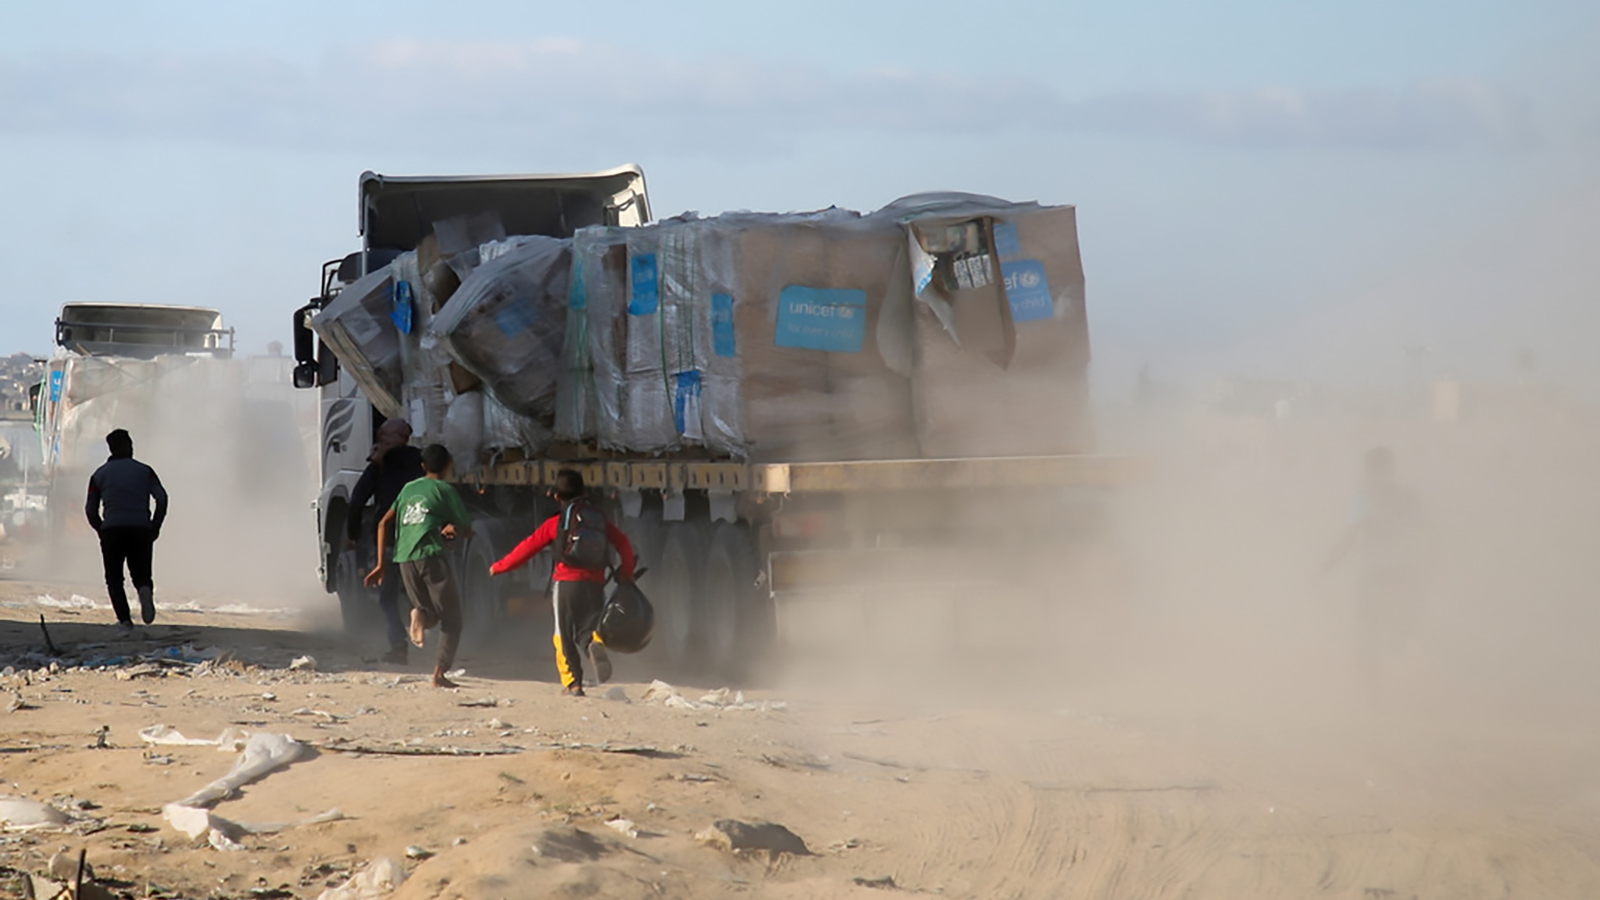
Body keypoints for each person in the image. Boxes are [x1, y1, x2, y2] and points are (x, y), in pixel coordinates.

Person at [489, 469, 635, 697]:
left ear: (557, 497)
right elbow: (624, 544)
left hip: (566, 583)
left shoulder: (555, 523)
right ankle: (593, 644)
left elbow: (528, 547)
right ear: (585, 492)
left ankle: (573, 684)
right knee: (588, 627)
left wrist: (500, 567)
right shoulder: (600, 520)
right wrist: (627, 573)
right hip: (596, 582)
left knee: (563, 633)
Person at [364, 443, 473, 688]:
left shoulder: (408, 489)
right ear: (448, 466)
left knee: (430, 613)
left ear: (423, 466)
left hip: (404, 559)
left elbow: (383, 524)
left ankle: (420, 614)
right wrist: (455, 529)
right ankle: (439, 673)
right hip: (431, 555)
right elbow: (465, 527)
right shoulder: (444, 489)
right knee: (453, 620)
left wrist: (381, 564)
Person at [1324, 446, 1428, 677]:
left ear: (1368, 469)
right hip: (1406, 572)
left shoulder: (1362, 497)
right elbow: (1427, 532)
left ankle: (1376, 698)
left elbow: (1349, 539)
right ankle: (1407, 665)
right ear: (1391, 468)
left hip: (1375, 575)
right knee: (1402, 632)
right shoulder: (1409, 496)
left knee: (1368, 636)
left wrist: (1325, 568)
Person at [348, 418, 425, 664]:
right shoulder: (420, 464)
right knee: (417, 594)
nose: (379, 438)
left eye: (383, 435)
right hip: (419, 541)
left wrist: (353, 534)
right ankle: (422, 627)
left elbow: (357, 501)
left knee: (387, 597)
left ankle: (399, 646)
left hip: (389, 541)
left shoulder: (379, 467)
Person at [85, 428, 168, 630]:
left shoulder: (99, 475)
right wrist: (155, 525)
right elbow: (162, 498)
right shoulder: (145, 471)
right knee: (142, 573)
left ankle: (124, 620)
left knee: (114, 578)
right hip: (140, 528)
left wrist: (100, 528)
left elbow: (90, 508)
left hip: (112, 528)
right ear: (127, 446)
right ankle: (144, 591)